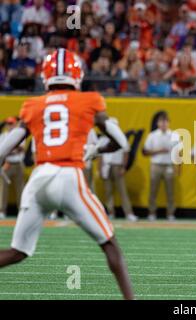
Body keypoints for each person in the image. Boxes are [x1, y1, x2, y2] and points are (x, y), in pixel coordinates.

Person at [0, 49, 134, 299]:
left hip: (39, 178)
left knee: (17, 252)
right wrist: (94, 151)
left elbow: (4, 149)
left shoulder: (32, 105)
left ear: (46, 76)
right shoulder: (89, 100)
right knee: (110, 245)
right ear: (77, 75)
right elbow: (119, 141)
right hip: (68, 176)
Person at [142, 112, 181, 221]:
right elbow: (145, 151)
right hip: (156, 165)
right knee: (153, 190)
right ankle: (152, 212)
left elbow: (178, 152)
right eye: (161, 122)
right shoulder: (152, 135)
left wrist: (178, 167)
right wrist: (159, 151)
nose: (163, 124)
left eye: (165, 122)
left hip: (169, 165)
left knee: (170, 191)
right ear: (158, 123)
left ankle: (170, 213)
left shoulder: (174, 135)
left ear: (168, 123)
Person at [98, 119, 138, 222]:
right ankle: (110, 212)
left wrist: (124, 167)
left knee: (122, 191)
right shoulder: (103, 139)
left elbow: (126, 152)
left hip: (117, 165)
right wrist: (100, 168)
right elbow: (100, 156)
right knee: (108, 191)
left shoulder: (121, 137)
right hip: (106, 166)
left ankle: (128, 213)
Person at [0, 117, 25, 219]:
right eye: (8, 123)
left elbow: (21, 149)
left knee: (20, 188)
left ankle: (22, 210)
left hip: (18, 163)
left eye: (12, 123)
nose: (10, 125)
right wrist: (12, 150)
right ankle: (2, 210)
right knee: (3, 189)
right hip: (6, 163)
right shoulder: (2, 136)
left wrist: (8, 150)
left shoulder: (20, 134)